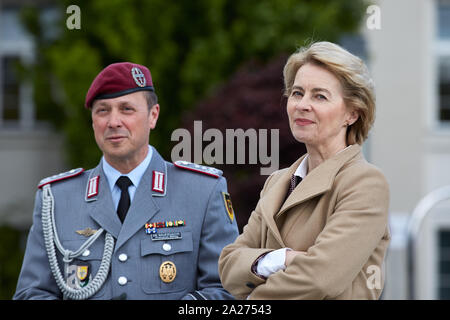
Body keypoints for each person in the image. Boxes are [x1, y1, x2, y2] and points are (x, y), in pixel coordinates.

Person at [14, 62, 239, 300]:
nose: (113, 122)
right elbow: (31, 293)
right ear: (93, 122)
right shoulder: (57, 199)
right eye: (102, 110)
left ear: (153, 116)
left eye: (126, 109)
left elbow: (228, 290)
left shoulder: (202, 191)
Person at [218, 41, 390, 300]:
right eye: (297, 93)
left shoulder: (364, 183)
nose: (302, 104)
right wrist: (282, 258)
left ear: (352, 114)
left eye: (319, 96)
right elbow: (229, 266)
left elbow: (320, 280)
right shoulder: (277, 182)